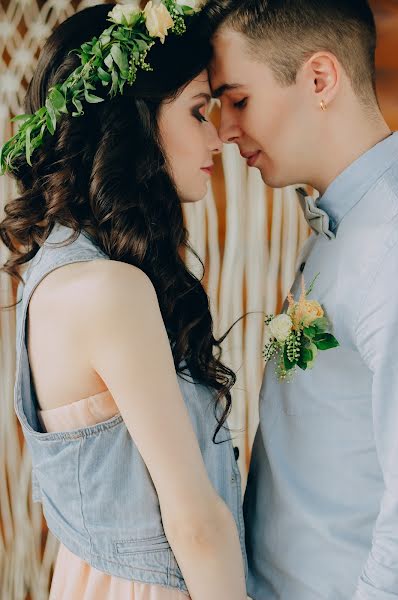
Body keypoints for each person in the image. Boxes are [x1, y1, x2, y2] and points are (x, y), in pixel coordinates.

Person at [0, 3, 248, 599]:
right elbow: (195, 523)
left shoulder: (57, 272)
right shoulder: (110, 289)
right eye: (197, 112)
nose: (217, 138)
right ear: (132, 122)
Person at [199, 0, 398, 598]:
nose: (224, 130)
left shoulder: (390, 243)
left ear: (319, 78)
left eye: (238, 100)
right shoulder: (341, 225)